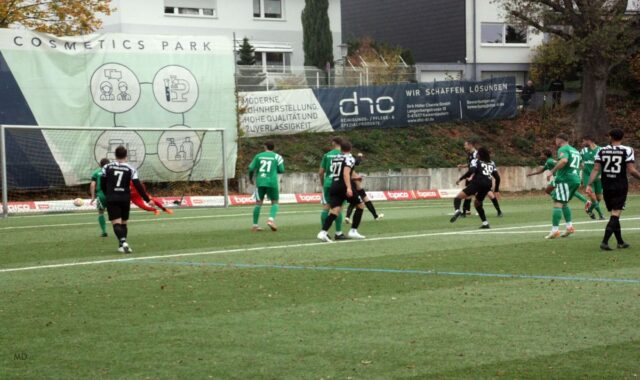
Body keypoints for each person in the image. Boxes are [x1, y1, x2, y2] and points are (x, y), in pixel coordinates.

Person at [586, 128, 640, 251]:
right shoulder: (627, 150)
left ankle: (620, 242)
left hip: (606, 185)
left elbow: (595, 169)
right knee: (616, 213)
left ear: (610, 137)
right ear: (622, 137)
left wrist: (589, 184)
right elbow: (631, 170)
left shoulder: (602, 151)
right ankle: (604, 242)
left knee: (614, 212)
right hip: (620, 185)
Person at [101, 146, 151, 253]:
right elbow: (138, 186)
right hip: (125, 198)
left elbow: (102, 184)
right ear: (126, 156)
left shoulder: (106, 167)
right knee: (124, 223)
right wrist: (147, 200)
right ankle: (121, 245)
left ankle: (123, 241)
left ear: (115, 155)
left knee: (116, 223)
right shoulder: (131, 169)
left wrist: (108, 194)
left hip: (112, 197)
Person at [317, 141, 366, 242]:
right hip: (343, 186)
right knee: (360, 205)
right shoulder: (349, 158)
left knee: (335, 210)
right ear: (350, 149)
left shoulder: (336, 158)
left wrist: (355, 176)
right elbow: (345, 173)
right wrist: (348, 187)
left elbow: (340, 171)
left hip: (334, 185)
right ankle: (353, 230)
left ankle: (323, 232)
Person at [450, 147, 501, 229]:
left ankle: (458, 211)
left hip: (478, 183)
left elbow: (471, 171)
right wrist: (496, 190)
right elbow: (497, 178)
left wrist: (460, 179)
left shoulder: (476, 161)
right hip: (487, 185)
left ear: (480, 155)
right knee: (477, 203)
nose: (476, 155)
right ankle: (485, 223)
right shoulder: (492, 163)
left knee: (458, 198)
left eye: (477, 154)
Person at [545, 133, 581, 239]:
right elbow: (581, 164)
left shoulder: (563, 149)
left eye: (556, 140)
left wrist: (552, 171)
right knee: (564, 203)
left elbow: (564, 160)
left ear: (560, 140)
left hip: (565, 179)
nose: (555, 142)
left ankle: (555, 230)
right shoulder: (575, 150)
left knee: (558, 203)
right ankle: (569, 227)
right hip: (575, 179)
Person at [457, 139, 503, 217]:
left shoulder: (476, 154)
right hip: (480, 178)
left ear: (470, 145)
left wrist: (471, 176)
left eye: (465, 145)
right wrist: (463, 166)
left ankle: (497, 211)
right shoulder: (470, 154)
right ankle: (466, 212)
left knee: (472, 193)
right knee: (470, 194)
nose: (464, 146)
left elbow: (476, 167)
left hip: (478, 177)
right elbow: (471, 165)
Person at [248, 141, 285, 232]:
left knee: (258, 203)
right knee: (275, 202)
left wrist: (250, 178)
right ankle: (271, 220)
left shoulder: (258, 156)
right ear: (273, 147)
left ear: (265, 147)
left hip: (260, 181)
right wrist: (273, 170)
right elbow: (281, 170)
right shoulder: (277, 157)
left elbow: (251, 168)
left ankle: (255, 225)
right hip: (272, 182)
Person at [318, 137, 346, 240]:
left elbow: (321, 172)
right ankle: (338, 233)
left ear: (333, 143)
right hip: (339, 184)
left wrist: (323, 183)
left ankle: (324, 232)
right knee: (338, 208)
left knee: (326, 207)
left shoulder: (327, 155)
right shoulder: (344, 155)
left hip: (328, 183)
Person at [345, 153, 383, 224]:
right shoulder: (348, 164)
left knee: (354, 202)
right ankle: (375, 216)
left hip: (351, 184)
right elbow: (356, 162)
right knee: (365, 200)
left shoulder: (344, 165)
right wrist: (359, 156)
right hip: (355, 185)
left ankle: (347, 217)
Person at [580, 136, 605, 220]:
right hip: (587, 177)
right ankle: (601, 214)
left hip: (599, 177)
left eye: (584, 141)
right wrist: (583, 168)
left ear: (589, 140)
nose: (582, 143)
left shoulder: (601, 150)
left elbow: (605, 162)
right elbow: (579, 161)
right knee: (593, 198)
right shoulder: (583, 151)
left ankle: (589, 210)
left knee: (598, 199)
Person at [90, 158, 110, 237]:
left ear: (100, 165)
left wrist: (93, 197)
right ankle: (119, 230)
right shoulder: (112, 171)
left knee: (101, 213)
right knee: (114, 213)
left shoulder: (96, 172)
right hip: (111, 195)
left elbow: (92, 185)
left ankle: (104, 231)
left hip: (100, 195)